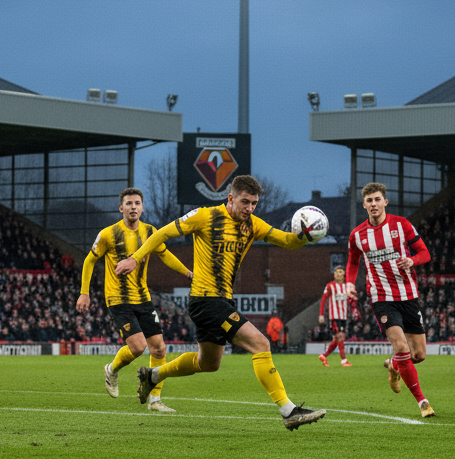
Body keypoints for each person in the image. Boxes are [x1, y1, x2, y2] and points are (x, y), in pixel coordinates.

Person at [113, 175, 326, 430]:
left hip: (220, 300)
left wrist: (305, 233)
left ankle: (153, 375)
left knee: (208, 364)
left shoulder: (253, 225)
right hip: (205, 299)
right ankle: (288, 410)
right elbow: (162, 234)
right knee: (260, 343)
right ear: (230, 198)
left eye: (254, 203)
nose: (249, 208)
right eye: (245, 202)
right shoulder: (205, 216)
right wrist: (135, 258)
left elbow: (287, 241)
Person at [75, 188, 192, 412]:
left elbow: (165, 254)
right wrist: (84, 292)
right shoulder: (108, 234)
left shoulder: (150, 232)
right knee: (138, 347)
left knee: (159, 349)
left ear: (142, 207)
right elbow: (90, 261)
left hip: (143, 298)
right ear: (121, 208)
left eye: (137, 203)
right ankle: (112, 369)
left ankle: (155, 401)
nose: (133, 207)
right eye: (128, 204)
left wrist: (187, 273)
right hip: (117, 298)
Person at [346, 183, 436, 418]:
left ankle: (394, 365)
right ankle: (423, 402)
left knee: (418, 355)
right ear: (364, 204)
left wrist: (412, 261)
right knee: (401, 346)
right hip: (381, 297)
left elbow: (425, 253)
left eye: (377, 199)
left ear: (385, 202)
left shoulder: (401, 225)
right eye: (369, 201)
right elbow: (353, 262)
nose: (373, 204)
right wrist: (349, 283)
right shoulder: (357, 235)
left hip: (408, 295)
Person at [317, 266, 355, 367]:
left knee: (337, 339)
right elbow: (323, 300)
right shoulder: (330, 286)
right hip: (334, 316)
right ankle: (344, 360)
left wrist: (353, 308)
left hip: (343, 316)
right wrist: (321, 314)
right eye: (336, 272)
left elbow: (351, 300)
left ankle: (324, 356)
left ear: (344, 274)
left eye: (340, 272)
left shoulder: (347, 286)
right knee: (340, 336)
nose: (338, 274)